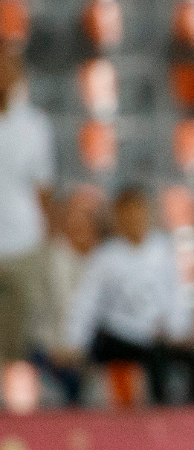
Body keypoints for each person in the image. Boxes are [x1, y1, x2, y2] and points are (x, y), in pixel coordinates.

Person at [65, 187, 194, 405]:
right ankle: (159, 414)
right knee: (155, 356)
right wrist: (76, 341)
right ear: (117, 218)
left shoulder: (163, 249)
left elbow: (176, 292)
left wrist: (178, 329)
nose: (134, 220)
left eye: (138, 213)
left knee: (191, 357)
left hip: (157, 334)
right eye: (127, 214)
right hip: (119, 334)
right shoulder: (106, 256)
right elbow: (86, 302)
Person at [0, 45, 55, 369]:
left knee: (19, 337)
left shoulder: (35, 124)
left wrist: (48, 237)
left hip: (23, 240)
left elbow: (42, 187)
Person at [29, 188, 106, 407]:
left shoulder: (106, 259)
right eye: (73, 217)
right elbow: (60, 310)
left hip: (94, 354)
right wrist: (67, 349)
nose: (79, 225)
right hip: (50, 354)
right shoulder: (52, 257)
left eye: (86, 218)